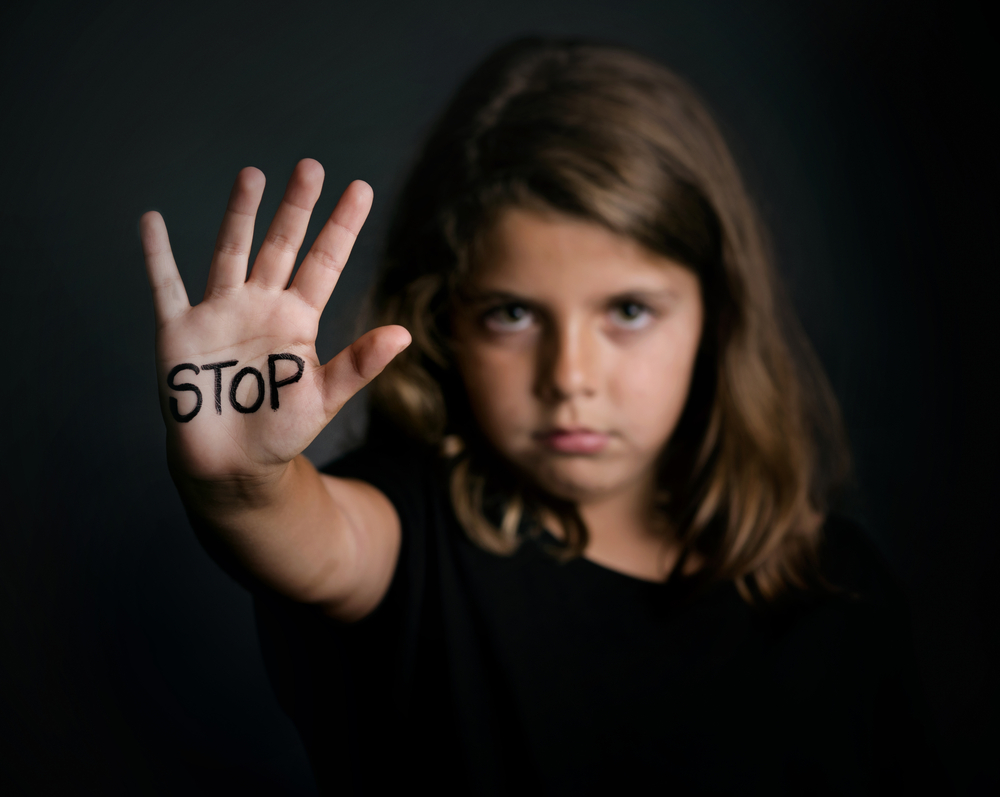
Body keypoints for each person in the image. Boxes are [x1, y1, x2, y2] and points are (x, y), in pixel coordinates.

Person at [140, 37, 945, 796]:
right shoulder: (405, 534)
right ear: (448, 318)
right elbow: (316, 539)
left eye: (629, 310)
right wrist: (242, 483)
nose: (571, 378)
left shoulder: (839, 589)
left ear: (718, 317)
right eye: (513, 315)